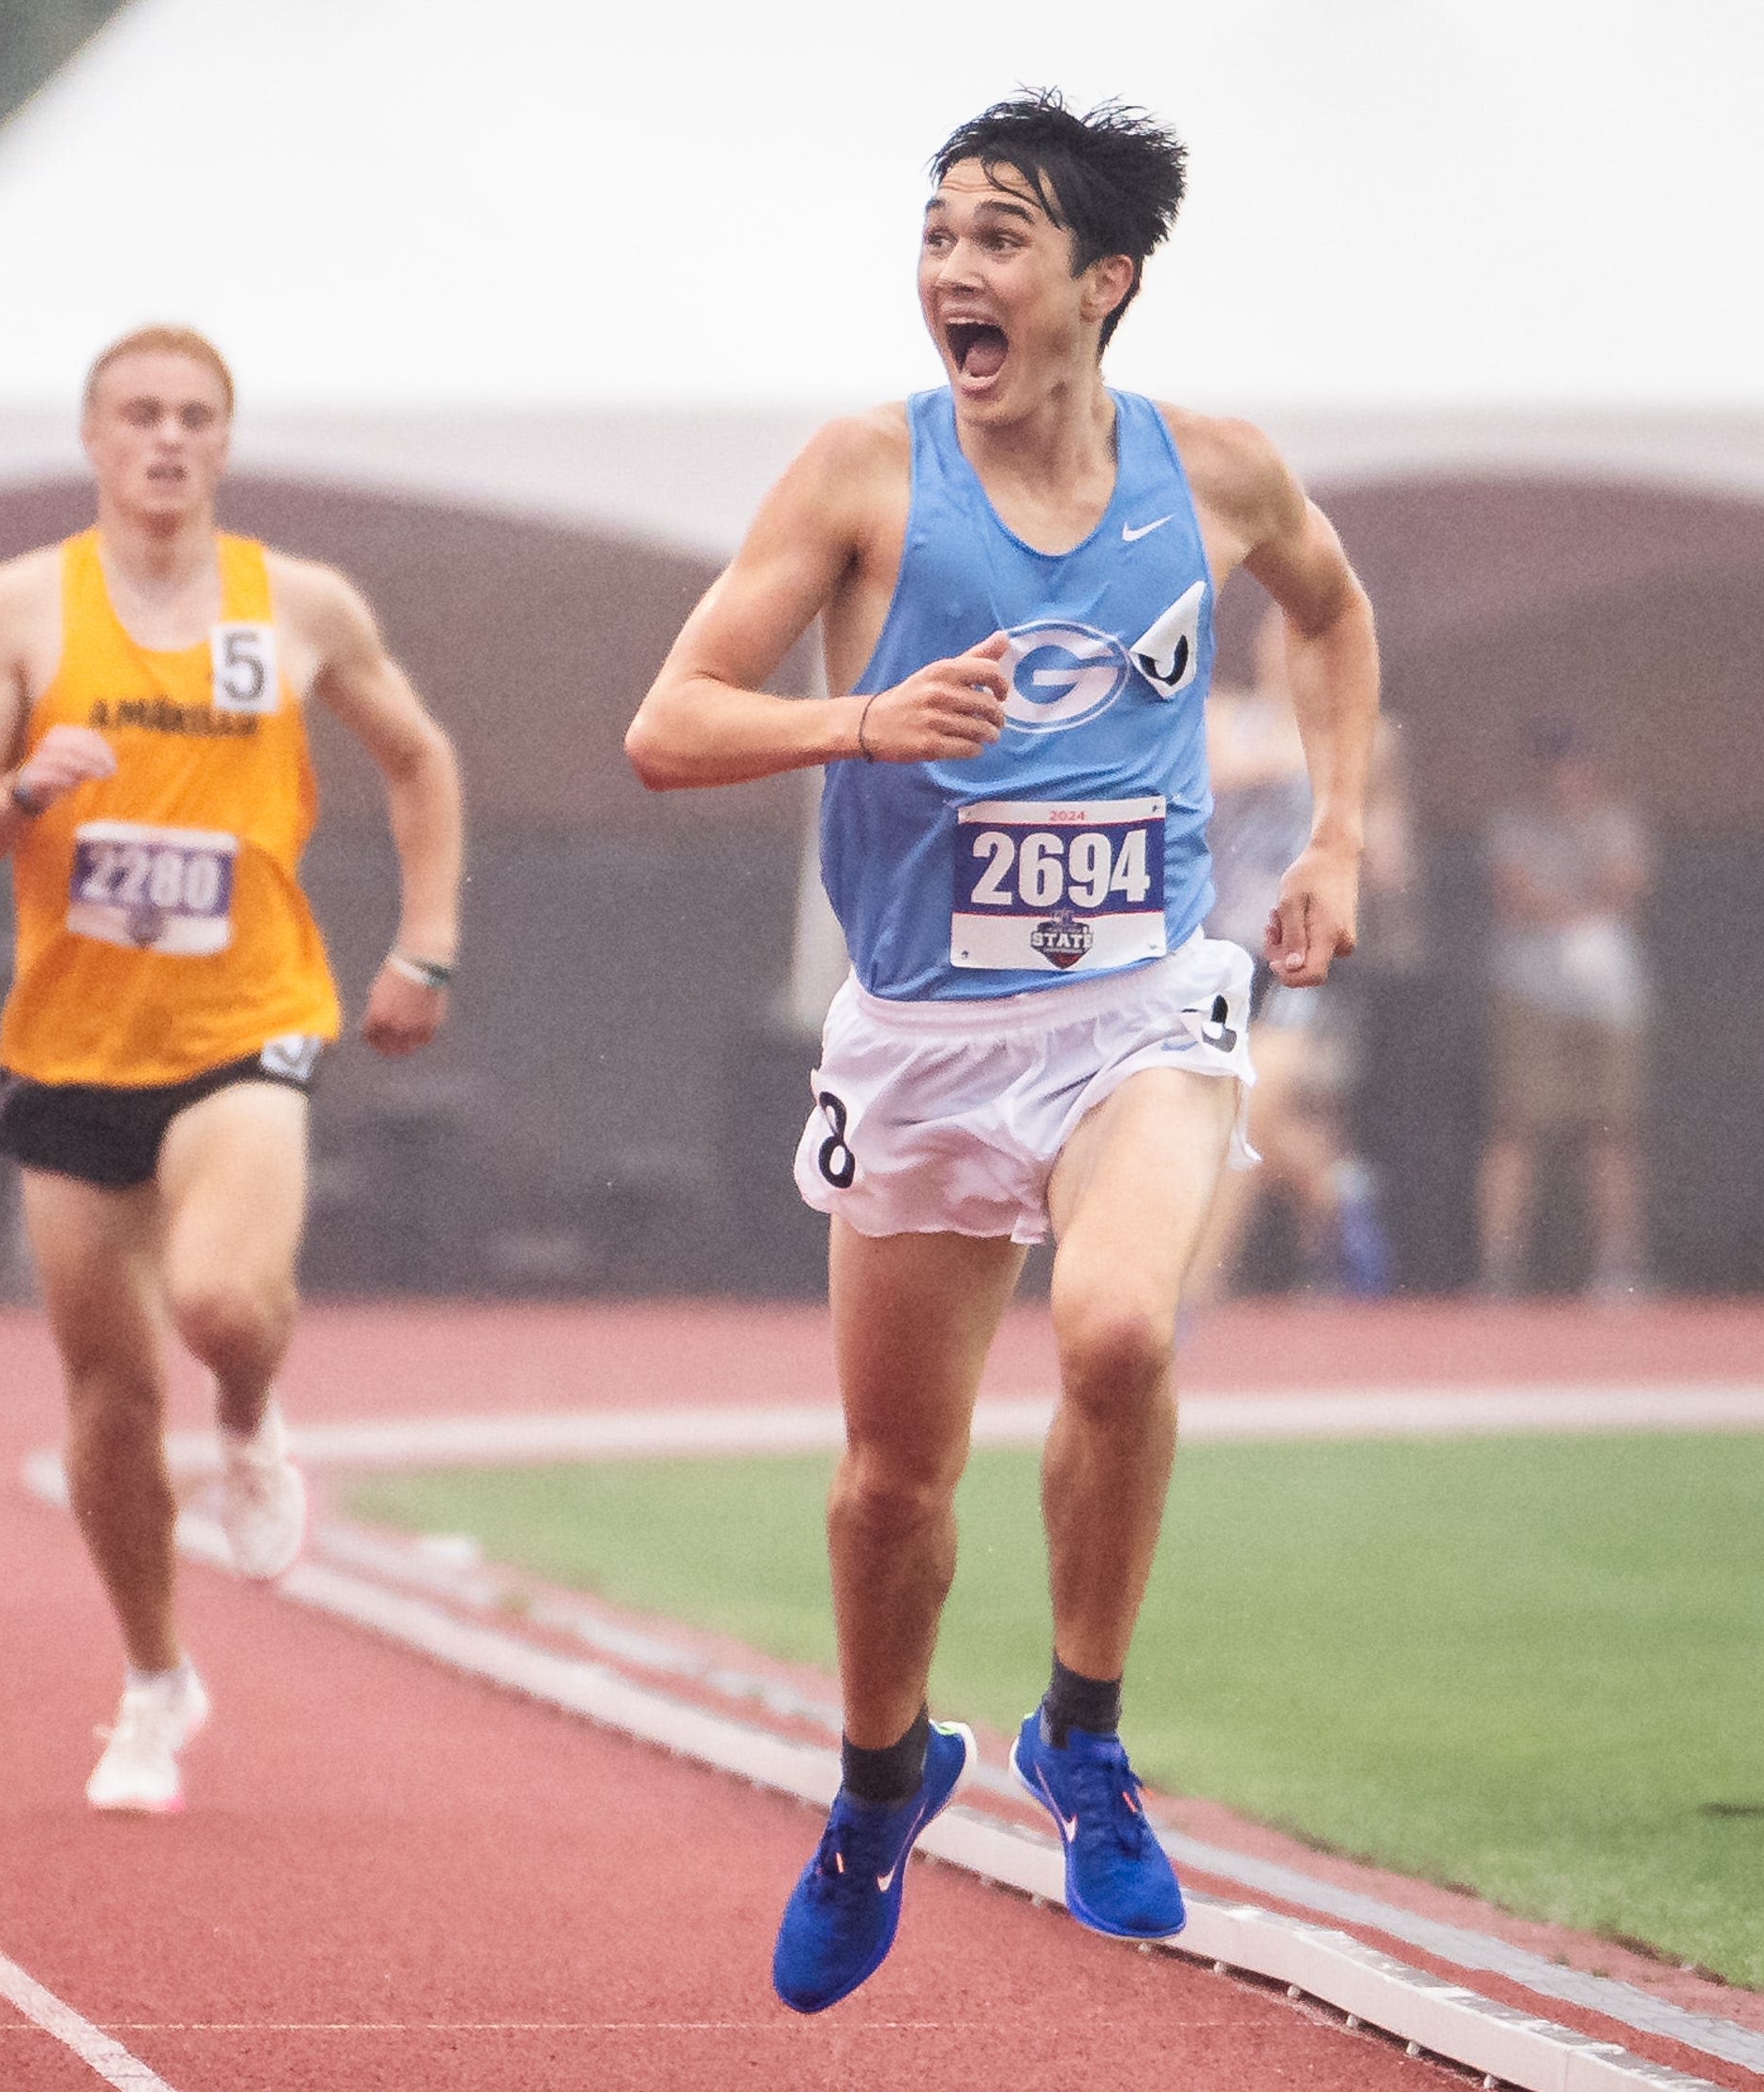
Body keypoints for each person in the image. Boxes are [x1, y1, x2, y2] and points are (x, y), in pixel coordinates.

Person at [624, 93, 1379, 2011]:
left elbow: (1333, 612)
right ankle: (884, 1781)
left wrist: (1340, 836)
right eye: (941, 232)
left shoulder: (1209, 474)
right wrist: (868, 726)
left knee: (1121, 1330)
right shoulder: (862, 479)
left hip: (1139, 1005)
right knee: (894, 1484)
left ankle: (1084, 1735)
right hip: (928, 1041)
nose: (957, 270)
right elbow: (672, 724)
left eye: (1002, 238)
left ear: (1100, 283)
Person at [0, 324, 465, 1813]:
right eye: (140, 416)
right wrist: (21, 787)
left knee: (221, 1302)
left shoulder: (300, 605)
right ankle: (156, 1680)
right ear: (94, 440)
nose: (167, 440)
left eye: (195, 419)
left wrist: (424, 944)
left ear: (226, 444)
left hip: (249, 1015)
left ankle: (252, 1418)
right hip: (72, 1040)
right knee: (104, 1393)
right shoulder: (19, 607)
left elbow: (419, 759)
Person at [1189, 608, 1409, 1300]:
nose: (1281, 649)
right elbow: (1211, 771)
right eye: (1270, 632)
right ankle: (1338, 1191)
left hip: (1296, 951)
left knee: (1248, 1107)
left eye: (1298, 635)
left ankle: (1190, 1297)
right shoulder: (1225, 716)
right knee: (1211, 1111)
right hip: (1219, 949)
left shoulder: (1358, 738)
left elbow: (1389, 859)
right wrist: (1315, 755)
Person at [1475, 724, 1653, 1300]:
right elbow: (1516, 893)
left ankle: (1618, 1267)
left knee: (1612, 1132)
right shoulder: (1514, 825)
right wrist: (1578, 907)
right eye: (1553, 765)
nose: (1563, 776)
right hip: (1531, 992)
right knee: (1516, 1127)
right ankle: (1499, 1268)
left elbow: (1627, 883)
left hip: (1609, 1000)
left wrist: (1583, 848)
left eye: (1574, 763)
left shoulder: (1614, 821)